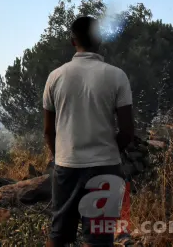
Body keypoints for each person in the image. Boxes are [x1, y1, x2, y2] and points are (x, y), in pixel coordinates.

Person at [43, 16, 134, 247]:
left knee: (59, 235)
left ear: (73, 42)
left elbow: (48, 131)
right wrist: (110, 153)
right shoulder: (117, 76)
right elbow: (127, 131)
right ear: (100, 40)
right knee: (98, 238)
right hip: (105, 167)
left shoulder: (55, 77)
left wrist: (60, 156)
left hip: (67, 166)